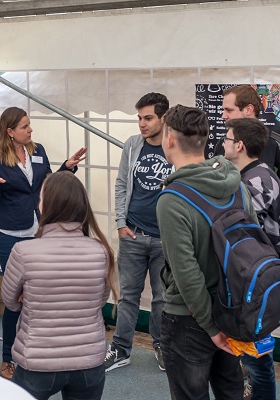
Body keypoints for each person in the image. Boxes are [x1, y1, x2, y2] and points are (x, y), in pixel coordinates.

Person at [0, 106, 87, 380]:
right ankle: (7, 358)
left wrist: (67, 168)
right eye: (25, 127)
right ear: (10, 132)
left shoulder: (37, 150)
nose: (31, 131)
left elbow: (48, 183)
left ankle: (41, 351)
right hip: (9, 235)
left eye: (30, 126)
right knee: (15, 298)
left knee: (39, 295)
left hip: (39, 229)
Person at [157, 105, 250, 399]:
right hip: (232, 308)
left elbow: (186, 274)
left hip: (189, 319)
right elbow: (253, 244)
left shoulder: (172, 200)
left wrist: (211, 328)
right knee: (230, 391)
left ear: (169, 139)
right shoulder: (236, 184)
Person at [2, 171, 118, 400]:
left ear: (47, 206)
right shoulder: (102, 251)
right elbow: (100, 298)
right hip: (89, 360)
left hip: (37, 360)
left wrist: (33, 297)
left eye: (41, 197)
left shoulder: (24, 252)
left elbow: (10, 302)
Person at [106, 92, 171, 372]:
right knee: (128, 296)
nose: (142, 124)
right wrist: (121, 224)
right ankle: (121, 349)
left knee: (162, 298)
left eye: (148, 118)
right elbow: (122, 184)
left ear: (164, 118)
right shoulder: (133, 145)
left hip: (165, 240)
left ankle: (162, 347)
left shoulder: (174, 145)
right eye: (139, 118)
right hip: (133, 234)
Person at [223, 118, 280, 400]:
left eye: (226, 138)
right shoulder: (256, 174)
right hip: (255, 275)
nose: (221, 143)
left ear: (239, 145)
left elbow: (247, 232)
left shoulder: (255, 180)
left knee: (257, 359)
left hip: (256, 280)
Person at [219, 85, 280, 247]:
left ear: (248, 109)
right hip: (228, 249)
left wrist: (275, 243)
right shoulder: (222, 145)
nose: (223, 115)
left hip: (264, 255)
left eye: (228, 110)